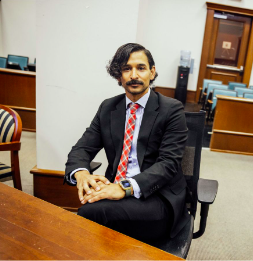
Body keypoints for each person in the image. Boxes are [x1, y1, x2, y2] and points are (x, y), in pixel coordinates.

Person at [64, 43, 189, 242]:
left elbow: (168, 164)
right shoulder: (108, 107)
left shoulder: (171, 109)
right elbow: (82, 148)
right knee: (93, 214)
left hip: (157, 196)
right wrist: (80, 173)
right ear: (118, 76)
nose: (133, 75)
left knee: (91, 213)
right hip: (115, 188)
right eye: (126, 69)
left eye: (141, 68)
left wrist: (124, 188)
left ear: (152, 72)